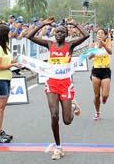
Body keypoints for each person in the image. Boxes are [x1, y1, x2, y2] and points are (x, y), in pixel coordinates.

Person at [26, 17, 89, 160]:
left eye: (62, 32)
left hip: (65, 84)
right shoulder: (50, 44)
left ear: (66, 35)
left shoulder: (70, 45)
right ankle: (58, 147)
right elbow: (29, 36)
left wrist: (75, 24)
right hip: (52, 84)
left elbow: (86, 36)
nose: (58, 34)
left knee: (67, 120)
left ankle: (72, 106)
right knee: (54, 115)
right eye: (57, 32)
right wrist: (42, 24)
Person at [0, 24, 21, 143]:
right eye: (8, 33)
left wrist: (16, 61)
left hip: (5, 79)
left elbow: (7, 60)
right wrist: (12, 65)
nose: (10, 35)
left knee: (2, 108)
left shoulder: (5, 47)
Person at [88, 28, 113, 120]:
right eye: (98, 33)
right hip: (96, 71)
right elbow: (89, 57)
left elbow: (110, 52)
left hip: (106, 70)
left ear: (105, 36)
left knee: (105, 95)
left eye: (102, 33)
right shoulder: (92, 44)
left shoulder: (108, 43)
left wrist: (104, 45)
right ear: (96, 35)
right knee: (96, 95)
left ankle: (104, 99)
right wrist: (97, 48)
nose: (100, 35)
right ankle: (97, 112)